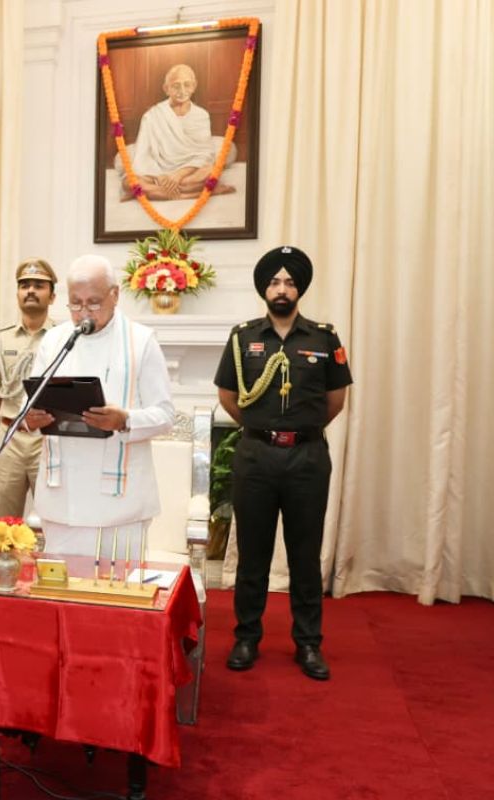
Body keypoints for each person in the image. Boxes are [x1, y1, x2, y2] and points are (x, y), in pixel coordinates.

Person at [214, 246, 352, 681]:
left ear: (300, 289)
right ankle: (246, 636)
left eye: (290, 282)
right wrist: (264, 428)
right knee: (253, 552)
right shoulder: (242, 338)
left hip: (307, 458)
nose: (282, 288)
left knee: (305, 554)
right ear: (264, 288)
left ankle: (308, 643)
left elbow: (335, 400)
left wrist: (298, 431)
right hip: (256, 456)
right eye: (274, 281)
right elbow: (229, 398)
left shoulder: (324, 338)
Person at [25, 255, 175, 560]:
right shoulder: (54, 341)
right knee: (64, 594)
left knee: (116, 597)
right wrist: (31, 418)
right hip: (63, 496)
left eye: (93, 303)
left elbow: (165, 415)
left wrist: (124, 420)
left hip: (120, 503)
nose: (83, 313)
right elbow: (27, 408)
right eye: (75, 304)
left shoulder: (141, 341)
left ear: (115, 295)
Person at [0, 258, 58, 519]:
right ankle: (4, 562)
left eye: (39, 285)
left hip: (48, 439)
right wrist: (19, 419)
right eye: (24, 285)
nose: (31, 291)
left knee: (54, 518)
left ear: (52, 296)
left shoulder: (63, 336)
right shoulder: (0, 338)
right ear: (17, 294)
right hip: (10, 437)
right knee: (4, 521)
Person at [122, 64, 233, 202]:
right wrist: (160, 176)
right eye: (176, 86)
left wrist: (178, 175)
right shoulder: (152, 116)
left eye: (187, 85)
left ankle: (158, 193)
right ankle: (193, 194)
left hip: (189, 172)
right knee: (129, 182)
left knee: (211, 171)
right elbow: (143, 155)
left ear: (194, 86)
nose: (182, 90)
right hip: (159, 172)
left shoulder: (201, 115)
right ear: (166, 89)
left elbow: (204, 154)